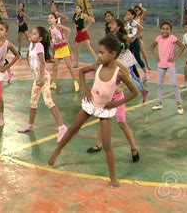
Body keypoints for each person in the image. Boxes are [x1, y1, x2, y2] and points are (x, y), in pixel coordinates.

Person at [49, 35, 139, 188]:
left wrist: (117, 103)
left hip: (105, 110)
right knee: (72, 129)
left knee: (107, 144)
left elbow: (134, 92)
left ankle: (113, 176)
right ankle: (57, 151)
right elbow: (82, 72)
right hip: (90, 104)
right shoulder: (97, 67)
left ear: (113, 54)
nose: (98, 55)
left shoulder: (119, 73)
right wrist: (84, 88)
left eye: (102, 52)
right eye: (98, 52)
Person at [17, 26, 68, 144]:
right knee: (33, 102)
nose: (31, 34)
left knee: (48, 101)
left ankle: (62, 127)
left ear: (39, 38)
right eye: (31, 32)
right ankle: (30, 124)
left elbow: (42, 62)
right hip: (37, 79)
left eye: (34, 34)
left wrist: (40, 78)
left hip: (43, 78)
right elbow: (30, 57)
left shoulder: (39, 46)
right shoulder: (31, 45)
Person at [150, 22, 186, 114]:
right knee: (159, 85)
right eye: (163, 28)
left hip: (170, 65)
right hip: (160, 65)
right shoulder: (158, 38)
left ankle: (179, 103)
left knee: (174, 84)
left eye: (167, 29)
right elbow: (152, 47)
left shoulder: (172, 38)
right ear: (160, 29)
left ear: (170, 30)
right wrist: (156, 56)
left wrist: (175, 57)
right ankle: (159, 103)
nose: (165, 30)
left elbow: (182, 47)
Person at [47, 13, 78, 92]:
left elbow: (69, 30)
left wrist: (65, 40)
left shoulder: (58, 26)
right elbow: (51, 38)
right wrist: (51, 43)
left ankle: (75, 82)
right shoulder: (50, 28)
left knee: (69, 66)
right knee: (55, 68)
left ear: (56, 19)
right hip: (57, 49)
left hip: (64, 47)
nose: (49, 19)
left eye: (51, 18)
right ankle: (53, 83)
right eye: (48, 18)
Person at [125, 9, 149, 82]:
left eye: (129, 14)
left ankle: (146, 74)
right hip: (130, 42)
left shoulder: (134, 22)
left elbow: (141, 28)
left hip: (135, 41)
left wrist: (135, 37)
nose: (127, 16)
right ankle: (135, 76)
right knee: (130, 59)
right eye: (127, 14)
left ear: (133, 16)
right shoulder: (128, 23)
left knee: (137, 58)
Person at [134, 4, 152, 71]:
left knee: (143, 51)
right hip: (132, 37)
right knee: (132, 53)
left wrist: (140, 6)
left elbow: (144, 11)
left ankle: (147, 64)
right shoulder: (132, 17)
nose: (136, 11)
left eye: (137, 10)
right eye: (135, 10)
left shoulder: (140, 17)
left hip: (138, 36)